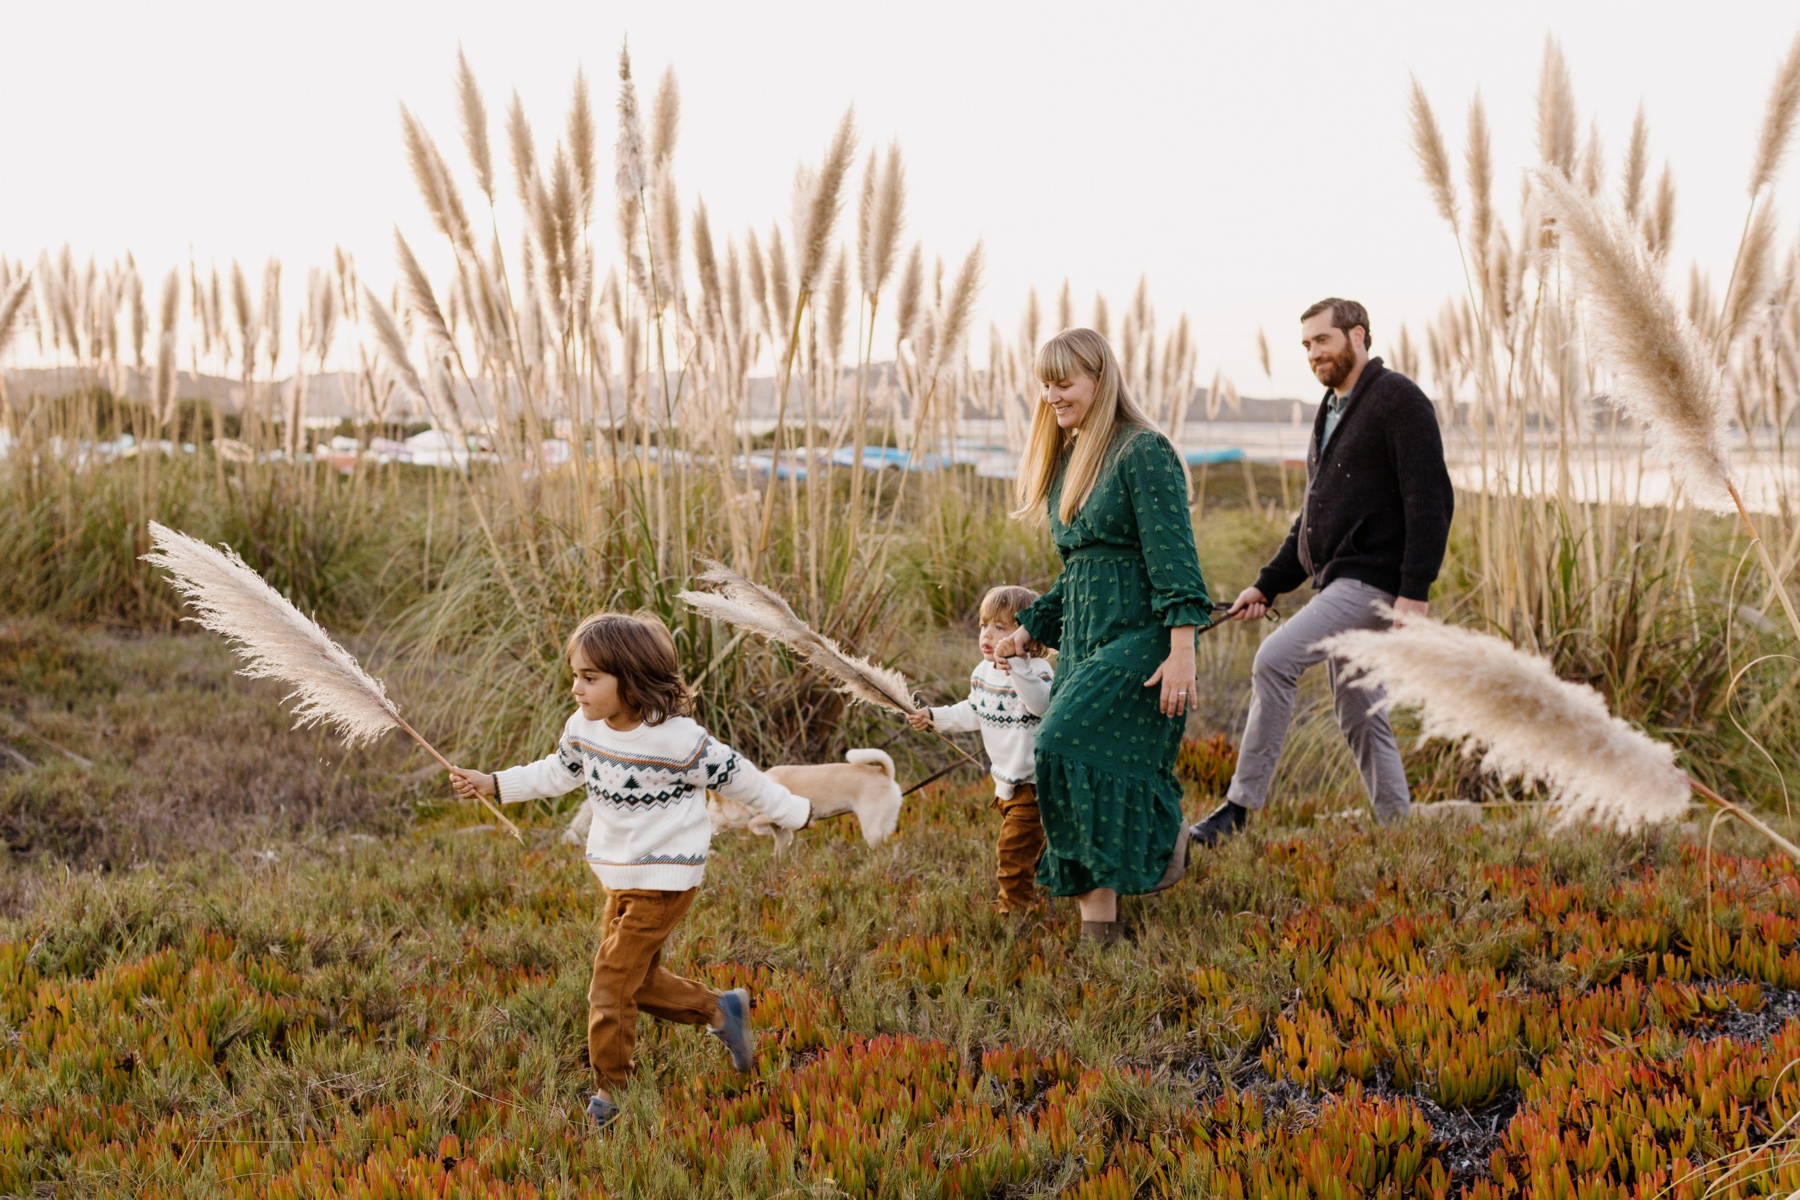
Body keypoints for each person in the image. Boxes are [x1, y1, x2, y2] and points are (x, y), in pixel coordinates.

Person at [447, 612, 812, 1131]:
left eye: (591, 678)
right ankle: (719, 1011)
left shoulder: (679, 740)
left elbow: (742, 779)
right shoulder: (584, 728)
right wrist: (493, 782)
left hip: (665, 880)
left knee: (609, 985)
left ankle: (610, 1093)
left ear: (633, 678)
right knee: (635, 982)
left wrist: (794, 810)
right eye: (574, 675)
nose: (577, 688)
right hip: (618, 876)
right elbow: (558, 771)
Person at [1190, 297, 1454, 846]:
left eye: (1323, 340)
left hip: (1374, 583)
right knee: (1360, 709)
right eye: (1307, 345)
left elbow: (1430, 500)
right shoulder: (1330, 410)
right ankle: (1399, 829)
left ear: (1357, 336)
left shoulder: (1397, 399)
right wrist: (1266, 583)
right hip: (1341, 580)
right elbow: (1311, 521)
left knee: (1274, 659)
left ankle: (1238, 809)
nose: (1313, 353)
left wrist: (1414, 592)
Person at [991, 327, 1212, 945]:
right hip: (1086, 639)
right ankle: (1102, 935)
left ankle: (1163, 830)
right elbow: (1081, 570)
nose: (1052, 395)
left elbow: (1175, 562)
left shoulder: (1144, 451)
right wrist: (1030, 630)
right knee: (1080, 767)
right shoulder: (1071, 457)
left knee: (1060, 746)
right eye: (1045, 383)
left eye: (1064, 382)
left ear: (1100, 378)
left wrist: (1182, 652)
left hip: (1142, 638)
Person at [907, 584, 1056, 916]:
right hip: (1004, 783)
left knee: (1012, 853)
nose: (988, 635)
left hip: (1032, 784)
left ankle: (1014, 914)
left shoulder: (1036, 671)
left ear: (1027, 636)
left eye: (1000, 628)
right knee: (1032, 845)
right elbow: (973, 710)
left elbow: (1041, 706)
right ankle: (1052, 877)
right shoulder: (982, 673)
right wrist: (934, 717)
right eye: (984, 625)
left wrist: (1017, 666)